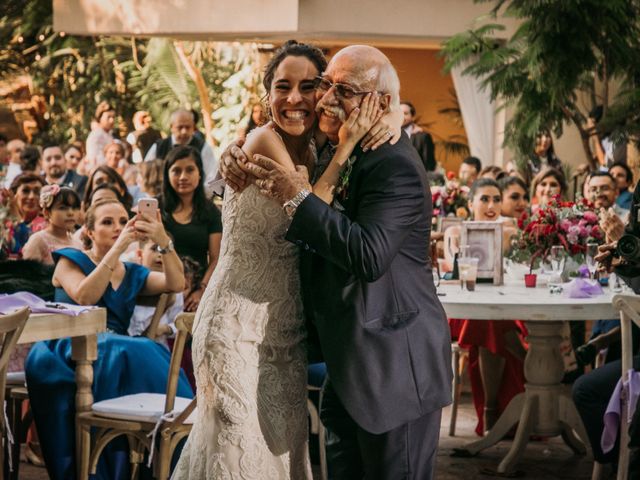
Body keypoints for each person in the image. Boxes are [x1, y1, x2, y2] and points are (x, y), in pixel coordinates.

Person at [172, 41, 395, 479]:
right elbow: (311, 207)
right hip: (234, 326)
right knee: (236, 453)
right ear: (266, 94)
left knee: (278, 456)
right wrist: (347, 148)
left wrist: (394, 115)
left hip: (284, 330)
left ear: (324, 92)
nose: (294, 98)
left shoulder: (314, 150)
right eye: (282, 86)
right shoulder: (260, 139)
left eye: (307, 86)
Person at [230, 44, 451, 479]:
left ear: (380, 103)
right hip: (350, 367)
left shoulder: (394, 164)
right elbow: (278, 133)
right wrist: (233, 153)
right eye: (326, 83)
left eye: (344, 89)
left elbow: (368, 256)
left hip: (392, 368)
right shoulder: (339, 146)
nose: (326, 98)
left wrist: (297, 199)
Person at [25, 198, 192, 479]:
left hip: (116, 352)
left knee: (143, 350)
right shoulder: (69, 260)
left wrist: (164, 241)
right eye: (107, 222)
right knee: (138, 350)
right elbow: (85, 296)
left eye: (122, 220)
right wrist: (118, 248)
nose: (118, 227)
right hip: (68, 347)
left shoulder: (133, 273)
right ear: (88, 232)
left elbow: (176, 284)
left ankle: (173, 445)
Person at [445, 179, 525, 433]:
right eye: (484, 199)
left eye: (496, 199)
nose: (491, 205)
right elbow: (455, 272)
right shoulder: (455, 232)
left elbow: (518, 271)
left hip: (506, 306)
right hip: (464, 310)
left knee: (495, 318)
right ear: (470, 203)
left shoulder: (511, 230)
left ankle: (495, 412)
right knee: (491, 320)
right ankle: (496, 406)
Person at [160, 146, 222, 312]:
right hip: (160, 289)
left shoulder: (211, 212)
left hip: (196, 294)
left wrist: (201, 290)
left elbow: (216, 258)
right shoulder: (158, 208)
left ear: (200, 173)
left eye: (189, 170)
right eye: (176, 171)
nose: (183, 177)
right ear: (167, 174)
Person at [145, 109, 218, 196]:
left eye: (188, 127)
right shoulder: (159, 146)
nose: (184, 132)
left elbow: (212, 178)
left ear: (193, 127)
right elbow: (145, 174)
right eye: (180, 127)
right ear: (171, 127)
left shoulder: (203, 147)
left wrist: (198, 197)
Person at [22, 185, 82, 265]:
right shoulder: (39, 240)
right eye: (62, 208)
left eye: (75, 208)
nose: (71, 213)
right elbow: (28, 274)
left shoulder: (77, 241)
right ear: (47, 213)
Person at [1, 173, 47, 256]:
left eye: (37, 192)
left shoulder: (48, 225)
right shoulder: (3, 222)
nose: (31, 197)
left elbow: (25, 251)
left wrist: (16, 216)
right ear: (13, 195)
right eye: (25, 191)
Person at [400, 100, 436, 172]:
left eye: (405, 113)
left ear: (412, 117)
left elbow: (429, 165)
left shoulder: (423, 137)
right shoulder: (388, 135)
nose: (402, 116)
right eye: (399, 113)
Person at [85, 101, 116, 169]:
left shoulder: (109, 135)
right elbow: (94, 159)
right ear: (100, 118)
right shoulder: (96, 135)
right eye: (108, 117)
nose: (112, 120)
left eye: (113, 117)